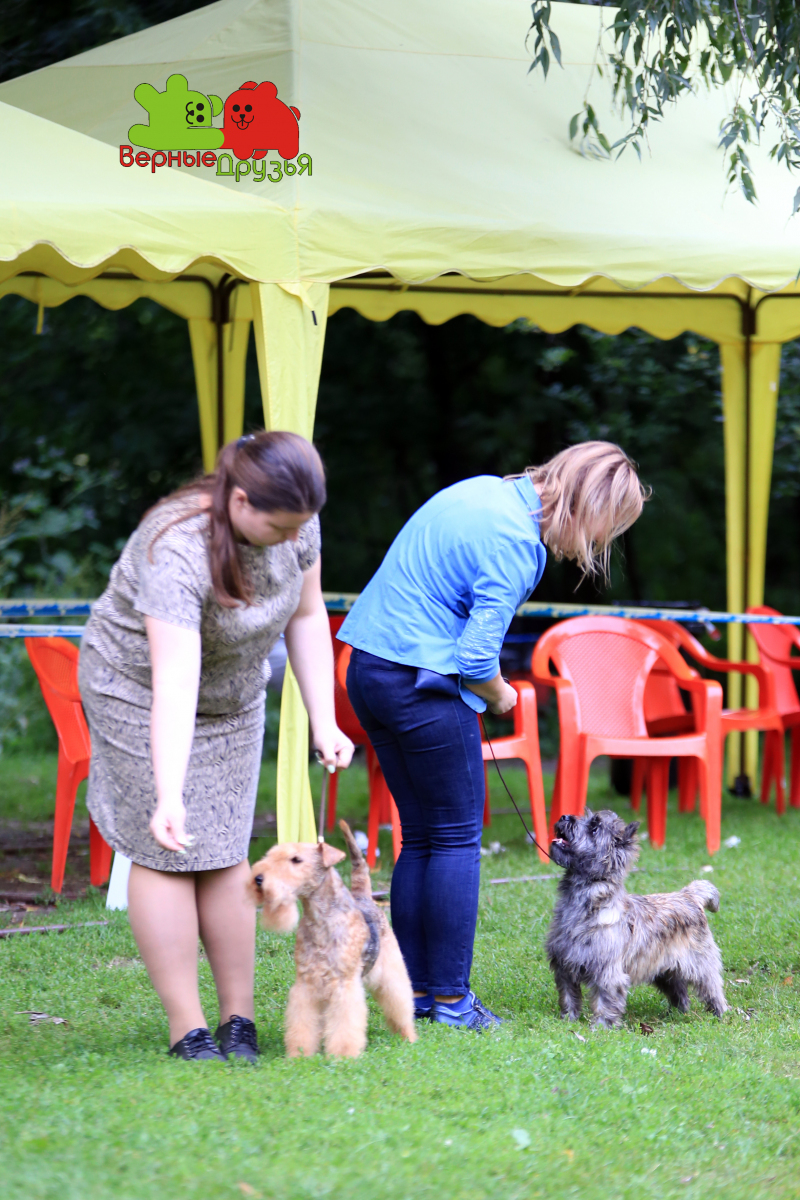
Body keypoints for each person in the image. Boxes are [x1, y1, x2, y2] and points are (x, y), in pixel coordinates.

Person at [337, 441, 647, 1030]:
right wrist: (502, 695)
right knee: (455, 838)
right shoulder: (517, 542)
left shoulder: (484, 491)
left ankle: (418, 993)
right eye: (607, 529)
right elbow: (476, 659)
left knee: (421, 836)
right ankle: (452, 1002)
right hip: (420, 681)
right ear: (592, 505)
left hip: (368, 669)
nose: (597, 545)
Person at [79, 431, 354, 1061]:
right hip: (137, 689)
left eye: (300, 526)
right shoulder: (175, 547)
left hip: (232, 691)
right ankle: (188, 1028)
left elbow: (307, 615)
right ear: (238, 501)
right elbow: (175, 680)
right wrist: (168, 792)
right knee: (167, 849)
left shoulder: (297, 524)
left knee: (227, 844)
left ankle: (239, 1021)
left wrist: (325, 720)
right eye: (279, 527)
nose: (292, 539)